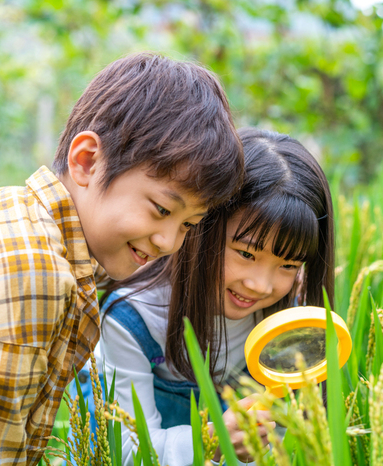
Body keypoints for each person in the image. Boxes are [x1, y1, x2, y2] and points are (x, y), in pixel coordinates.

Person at [0, 52, 244, 465]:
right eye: (162, 210)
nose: (169, 242)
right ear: (86, 161)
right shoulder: (26, 272)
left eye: (189, 225)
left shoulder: (25, 224)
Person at [92, 127, 335, 465]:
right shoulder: (133, 319)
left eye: (288, 264)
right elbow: (125, 452)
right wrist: (209, 441)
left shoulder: (287, 321)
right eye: (246, 254)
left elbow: (282, 442)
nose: (261, 285)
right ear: (200, 227)